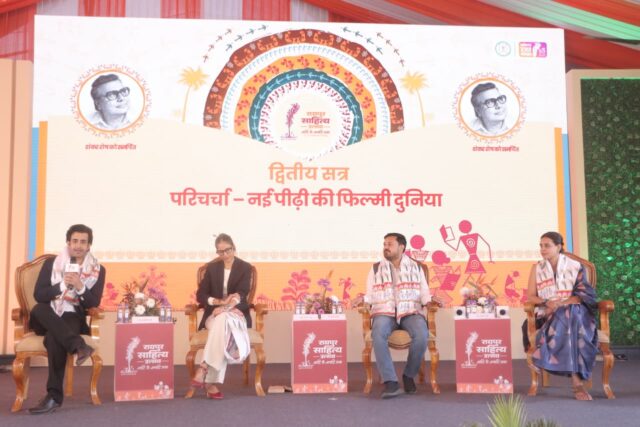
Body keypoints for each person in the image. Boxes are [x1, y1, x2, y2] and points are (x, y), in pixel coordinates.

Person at [28, 224, 105, 414]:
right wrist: (62, 285)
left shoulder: (97, 270)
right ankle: (78, 345)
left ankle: (53, 397)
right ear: (68, 243)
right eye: (75, 241)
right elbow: (39, 295)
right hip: (47, 315)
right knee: (38, 308)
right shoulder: (51, 264)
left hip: (72, 315)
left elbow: (93, 303)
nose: (78, 245)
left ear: (89, 246)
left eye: (83, 242)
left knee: (55, 338)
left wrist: (80, 286)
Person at [525, 231, 598, 400]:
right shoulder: (537, 268)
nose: (543, 249)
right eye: (541, 246)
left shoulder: (575, 266)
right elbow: (531, 296)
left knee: (569, 313)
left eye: (547, 246)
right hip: (548, 312)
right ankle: (577, 383)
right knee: (568, 318)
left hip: (576, 312)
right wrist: (547, 303)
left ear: (558, 247)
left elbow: (582, 295)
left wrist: (558, 305)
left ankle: (544, 356)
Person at [364, 232, 437, 399]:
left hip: (410, 310)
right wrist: (363, 301)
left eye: (390, 244)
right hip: (385, 311)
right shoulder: (376, 268)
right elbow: (370, 294)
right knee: (378, 332)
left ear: (401, 247)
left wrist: (429, 301)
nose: (386, 247)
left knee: (421, 333)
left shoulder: (416, 267)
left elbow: (424, 292)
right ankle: (391, 382)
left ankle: (408, 375)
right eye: (384, 244)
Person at [191, 234, 252, 399]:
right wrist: (217, 302)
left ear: (234, 248)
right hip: (213, 315)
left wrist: (226, 308)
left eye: (227, 250)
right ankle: (209, 381)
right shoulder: (212, 268)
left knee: (224, 321)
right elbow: (201, 295)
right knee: (222, 323)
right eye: (220, 252)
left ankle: (204, 368)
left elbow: (242, 293)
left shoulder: (245, 268)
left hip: (236, 314)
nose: (224, 255)